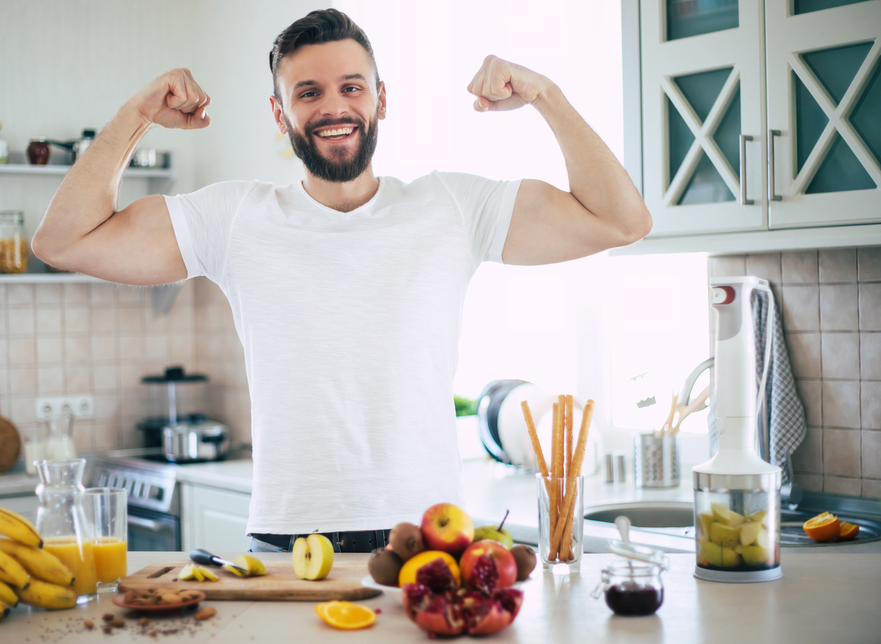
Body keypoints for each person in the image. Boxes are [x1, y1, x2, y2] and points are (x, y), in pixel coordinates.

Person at [32, 9, 650, 554]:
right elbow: (62, 241)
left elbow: (622, 221)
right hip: (288, 542)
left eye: (351, 87)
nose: (333, 107)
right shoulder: (235, 219)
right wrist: (136, 115)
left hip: (429, 541)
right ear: (280, 113)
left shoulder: (454, 208)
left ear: (382, 98)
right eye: (308, 92)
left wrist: (545, 94)